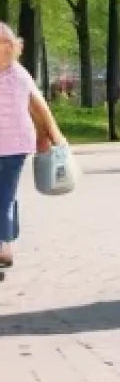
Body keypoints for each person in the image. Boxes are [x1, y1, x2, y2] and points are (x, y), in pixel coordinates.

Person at [0, 23, 65, 268]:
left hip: (14, 145)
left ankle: (4, 246)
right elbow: (40, 108)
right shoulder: (21, 74)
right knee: (6, 194)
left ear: (10, 47)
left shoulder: (19, 75)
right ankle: (7, 237)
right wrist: (54, 136)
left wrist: (54, 137)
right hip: (17, 145)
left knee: (5, 195)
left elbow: (39, 108)